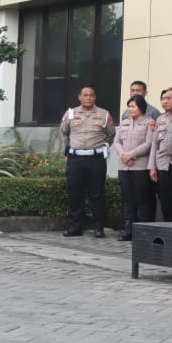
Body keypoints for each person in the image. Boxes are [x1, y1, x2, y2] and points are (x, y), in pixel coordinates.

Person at [60, 85, 114, 237]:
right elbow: (64, 132)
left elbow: (111, 135)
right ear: (80, 97)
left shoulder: (104, 114)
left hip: (95, 159)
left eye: (91, 95)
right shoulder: (70, 113)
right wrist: (69, 147)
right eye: (85, 95)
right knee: (74, 194)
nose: (88, 98)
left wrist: (101, 147)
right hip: (75, 159)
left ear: (95, 98)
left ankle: (98, 228)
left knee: (96, 194)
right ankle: (75, 227)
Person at [115, 95, 156, 240]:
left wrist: (131, 155)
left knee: (141, 199)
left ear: (141, 107)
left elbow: (148, 144)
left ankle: (142, 231)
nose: (130, 109)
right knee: (127, 199)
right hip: (124, 166)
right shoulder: (125, 122)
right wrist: (123, 155)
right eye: (129, 106)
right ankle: (128, 230)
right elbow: (117, 141)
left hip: (140, 167)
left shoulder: (149, 122)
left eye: (133, 106)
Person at [151, 86, 172, 221]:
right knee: (165, 197)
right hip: (163, 163)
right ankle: (167, 225)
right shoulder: (160, 119)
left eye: (168, 98)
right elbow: (155, 144)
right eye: (163, 98)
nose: (164, 101)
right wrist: (152, 167)